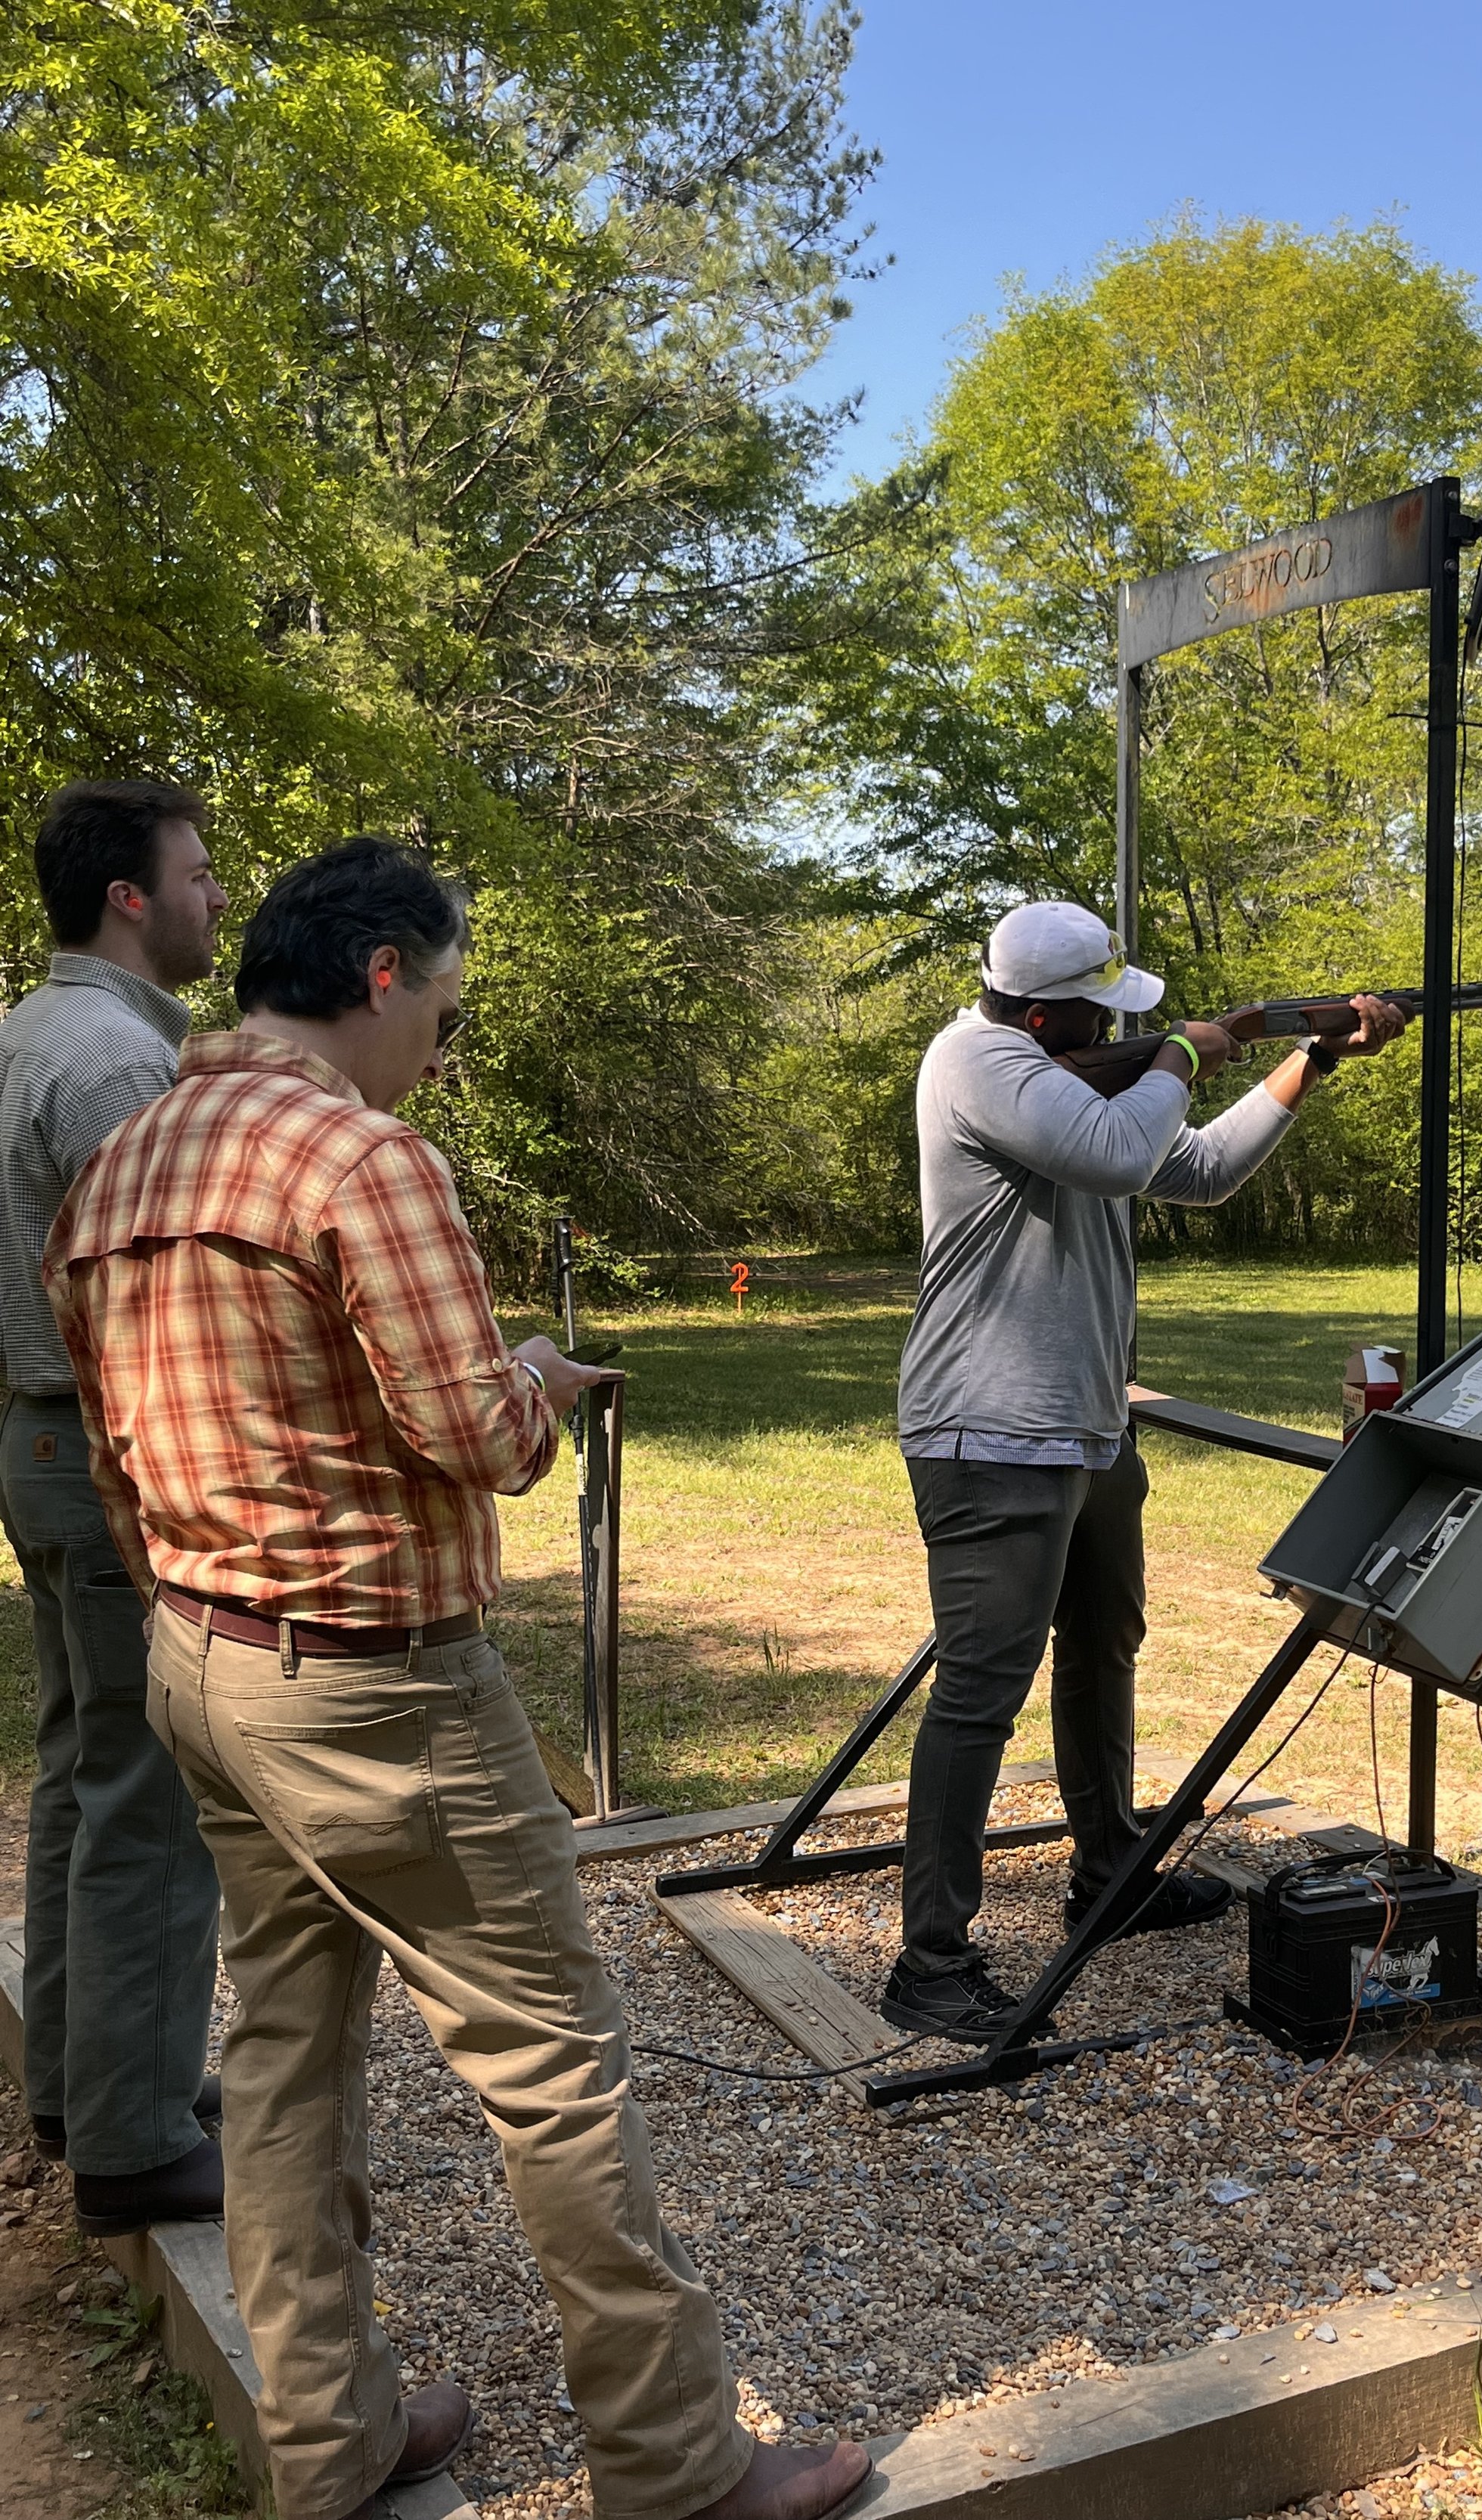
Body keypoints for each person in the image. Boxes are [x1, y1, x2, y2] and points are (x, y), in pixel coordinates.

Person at [45, 837, 870, 2520]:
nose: (442, 1039)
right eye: (446, 1004)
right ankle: (676, 2465)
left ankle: (328, 2444)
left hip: (202, 1662)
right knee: (556, 2068)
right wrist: (539, 1374)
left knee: (286, 2059)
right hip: (382, 1691)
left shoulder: (124, 1164)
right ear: (380, 975)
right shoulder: (363, 1157)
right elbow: (478, 1433)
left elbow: (114, 1452)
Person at [883, 899, 1406, 2040]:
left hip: (1086, 1428)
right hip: (993, 1432)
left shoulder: (1069, 1086)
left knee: (1104, 1643)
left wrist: (1311, 1058)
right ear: (1041, 1017)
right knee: (980, 1693)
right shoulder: (978, 1061)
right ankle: (930, 1960)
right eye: (1102, 1015)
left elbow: (1199, 1170)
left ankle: (1110, 1871)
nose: (1122, 1031)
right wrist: (1183, 1054)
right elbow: (1122, 1150)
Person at [0, 779, 229, 2232]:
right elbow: (164, 1304)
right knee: (152, 1793)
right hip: (105, 1456)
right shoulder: (115, 1067)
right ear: (129, 898)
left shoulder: (31, 1029)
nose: (218, 895)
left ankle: (78, 2084)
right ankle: (134, 2145)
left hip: (38, 1444)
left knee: (81, 1762)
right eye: (198, 873)